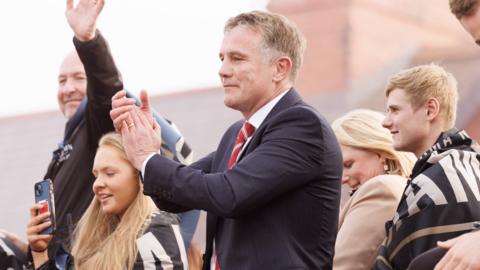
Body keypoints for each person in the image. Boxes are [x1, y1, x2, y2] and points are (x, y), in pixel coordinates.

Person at [110, 10, 343, 270]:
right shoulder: (237, 134)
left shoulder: (302, 125)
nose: (222, 70)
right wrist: (147, 147)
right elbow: (175, 198)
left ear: (280, 68)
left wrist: (148, 159)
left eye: (237, 59)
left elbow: (228, 193)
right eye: (222, 58)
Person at [29, 0, 196, 258]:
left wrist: (88, 41)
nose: (68, 88)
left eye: (79, 77)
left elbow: (107, 89)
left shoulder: (100, 126)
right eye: (62, 80)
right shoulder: (70, 139)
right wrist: (35, 248)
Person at [371, 64, 480, 270]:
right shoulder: (471, 166)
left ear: (430, 109)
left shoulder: (433, 183)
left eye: (394, 110)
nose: (386, 122)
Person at [27, 132, 187, 269]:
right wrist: (39, 252)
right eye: (96, 176)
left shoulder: (156, 231)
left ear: (139, 177)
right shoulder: (96, 238)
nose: (97, 184)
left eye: (109, 173)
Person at [331, 109, 416, 270]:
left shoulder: (382, 189)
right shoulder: (403, 188)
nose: (342, 179)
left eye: (349, 165)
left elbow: (344, 266)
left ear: (381, 153)